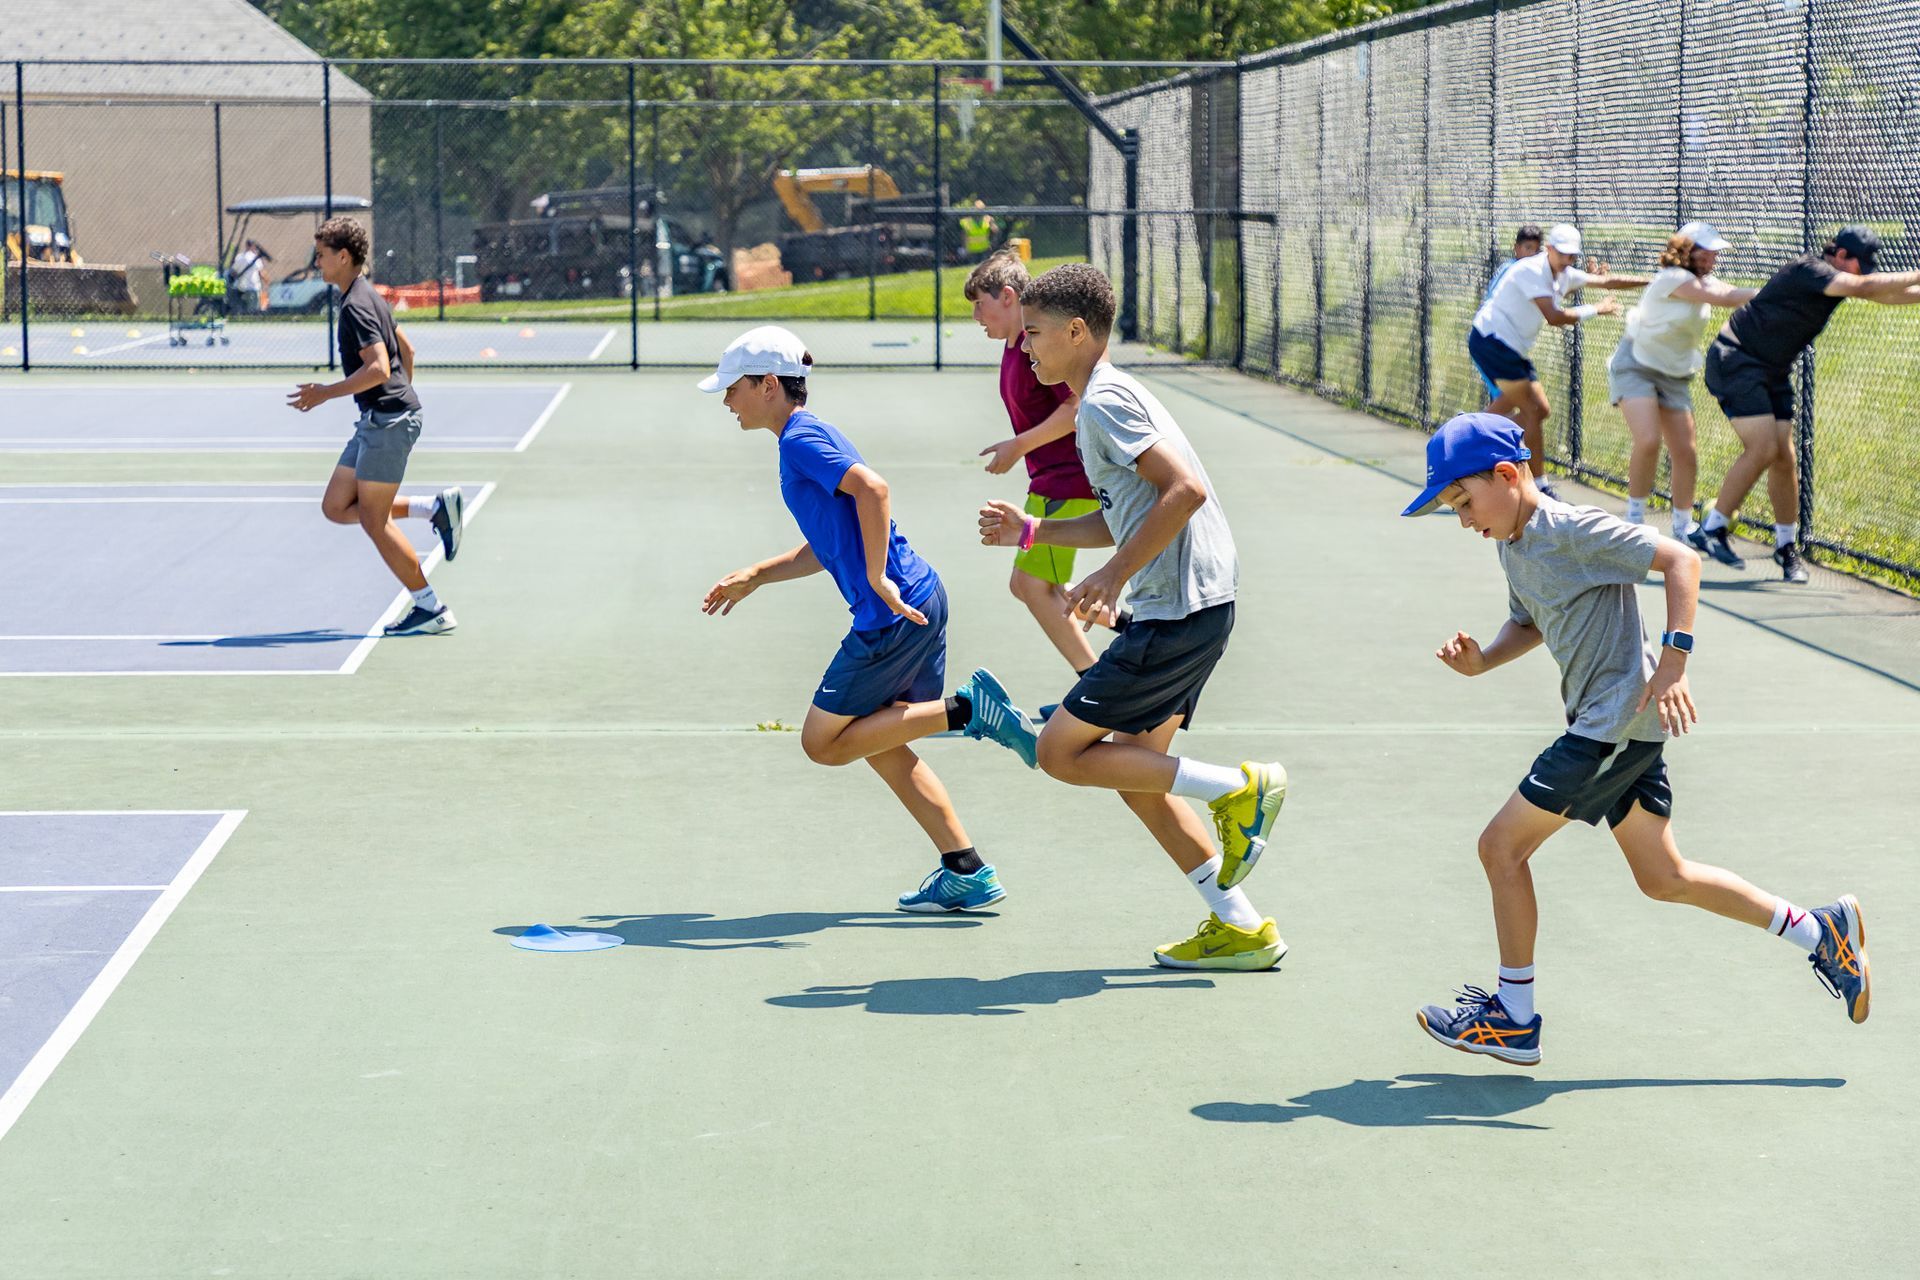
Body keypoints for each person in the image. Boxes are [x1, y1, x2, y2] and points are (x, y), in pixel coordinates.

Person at [1399, 412, 1870, 1065]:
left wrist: (1674, 660)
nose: (1463, 520)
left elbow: (1681, 558)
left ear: (1507, 476)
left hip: (1610, 725)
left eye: (1463, 501)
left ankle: (1513, 1015)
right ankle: (1820, 932)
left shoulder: (1570, 529)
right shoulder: (1515, 546)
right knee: (1664, 876)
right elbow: (1529, 623)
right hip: (1614, 728)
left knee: (1500, 849)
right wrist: (1484, 661)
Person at [976, 264, 1288, 972]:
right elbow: (1129, 514)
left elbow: (1185, 491)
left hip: (1175, 614)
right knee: (1139, 775)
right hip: (1193, 607)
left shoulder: (1105, 403)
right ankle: (1241, 926)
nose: (1025, 349)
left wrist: (1112, 577)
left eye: (1035, 334)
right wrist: (1035, 533)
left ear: (1078, 332)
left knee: (1061, 752)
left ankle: (1241, 789)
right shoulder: (1102, 402)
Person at [699, 325, 1038, 914]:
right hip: (917, 601)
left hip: (891, 614)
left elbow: (874, 492)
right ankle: (966, 869)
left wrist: (878, 578)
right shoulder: (807, 436)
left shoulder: (800, 441)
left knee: (824, 744)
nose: (727, 400)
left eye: (733, 388)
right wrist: (758, 574)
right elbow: (831, 541)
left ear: (769, 385)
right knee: (882, 740)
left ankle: (968, 710)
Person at [1692, 225, 1920, 582]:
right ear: (1841, 255)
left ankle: (1785, 547)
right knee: (1764, 448)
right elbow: (1866, 287)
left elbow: (1885, 295)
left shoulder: (1839, 280)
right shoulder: (1809, 269)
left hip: (1773, 369)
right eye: (1861, 263)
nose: (1864, 271)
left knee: (1785, 458)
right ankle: (1713, 526)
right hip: (1736, 360)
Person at [287, 216, 464, 637]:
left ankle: (430, 607)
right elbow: (408, 350)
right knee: (335, 506)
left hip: (386, 421)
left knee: (372, 519)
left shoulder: (356, 306)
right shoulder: (368, 295)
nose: (317, 262)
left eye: (322, 255)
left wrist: (326, 393)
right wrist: (393, 403)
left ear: (343, 257)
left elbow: (381, 366)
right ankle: (432, 508)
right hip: (379, 420)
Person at [966, 249, 1107, 674]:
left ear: (1007, 296)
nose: (976, 316)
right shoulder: (1015, 349)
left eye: (979, 303)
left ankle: (1095, 682)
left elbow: (1075, 407)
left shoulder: (1039, 349)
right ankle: (1129, 627)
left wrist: (1018, 446)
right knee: (1026, 584)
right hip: (1047, 485)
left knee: (1032, 584)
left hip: (1069, 484)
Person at [1467, 223, 1644, 497]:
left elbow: (1607, 282)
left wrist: (1654, 281)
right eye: (1562, 253)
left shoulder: (1564, 273)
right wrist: (1596, 309)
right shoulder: (1531, 270)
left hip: (1510, 348)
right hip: (1492, 340)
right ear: (1548, 249)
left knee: (1540, 411)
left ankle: (1473, 435)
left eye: (1572, 256)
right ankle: (1539, 486)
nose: (1567, 260)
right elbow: (1554, 317)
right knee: (1532, 411)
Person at [1608, 222, 1757, 539]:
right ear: (1687, 251)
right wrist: (1776, 291)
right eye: (1706, 253)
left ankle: (1682, 527)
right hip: (1635, 364)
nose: (1712, 259)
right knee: (1648, 440)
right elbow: (1726, 297)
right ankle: (1634, 520)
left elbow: (1726, 292)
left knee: (1685, 451)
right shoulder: (1673, 278)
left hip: (1674, 373)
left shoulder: (1704, 281)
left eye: (1714, 254)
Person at [227, 238, 271, 314]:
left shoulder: (239, 257)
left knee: (242, 310)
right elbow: (261, 273)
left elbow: (233, 272)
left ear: (246, 245)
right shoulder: (256, 258)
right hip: (253, 287)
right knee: (252, 311)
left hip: (241, 288)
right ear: (253, 246)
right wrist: (268, 282)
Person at [958, 199, 997, 263]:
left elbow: (994, 231)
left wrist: (992, 224)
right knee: (973, 268)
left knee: (985, 266)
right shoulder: (966, 221)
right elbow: (963, 236)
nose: (979, 212)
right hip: (972, 250)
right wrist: (964, 248)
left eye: (981, 209)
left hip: (984, 249)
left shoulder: (988, 219)